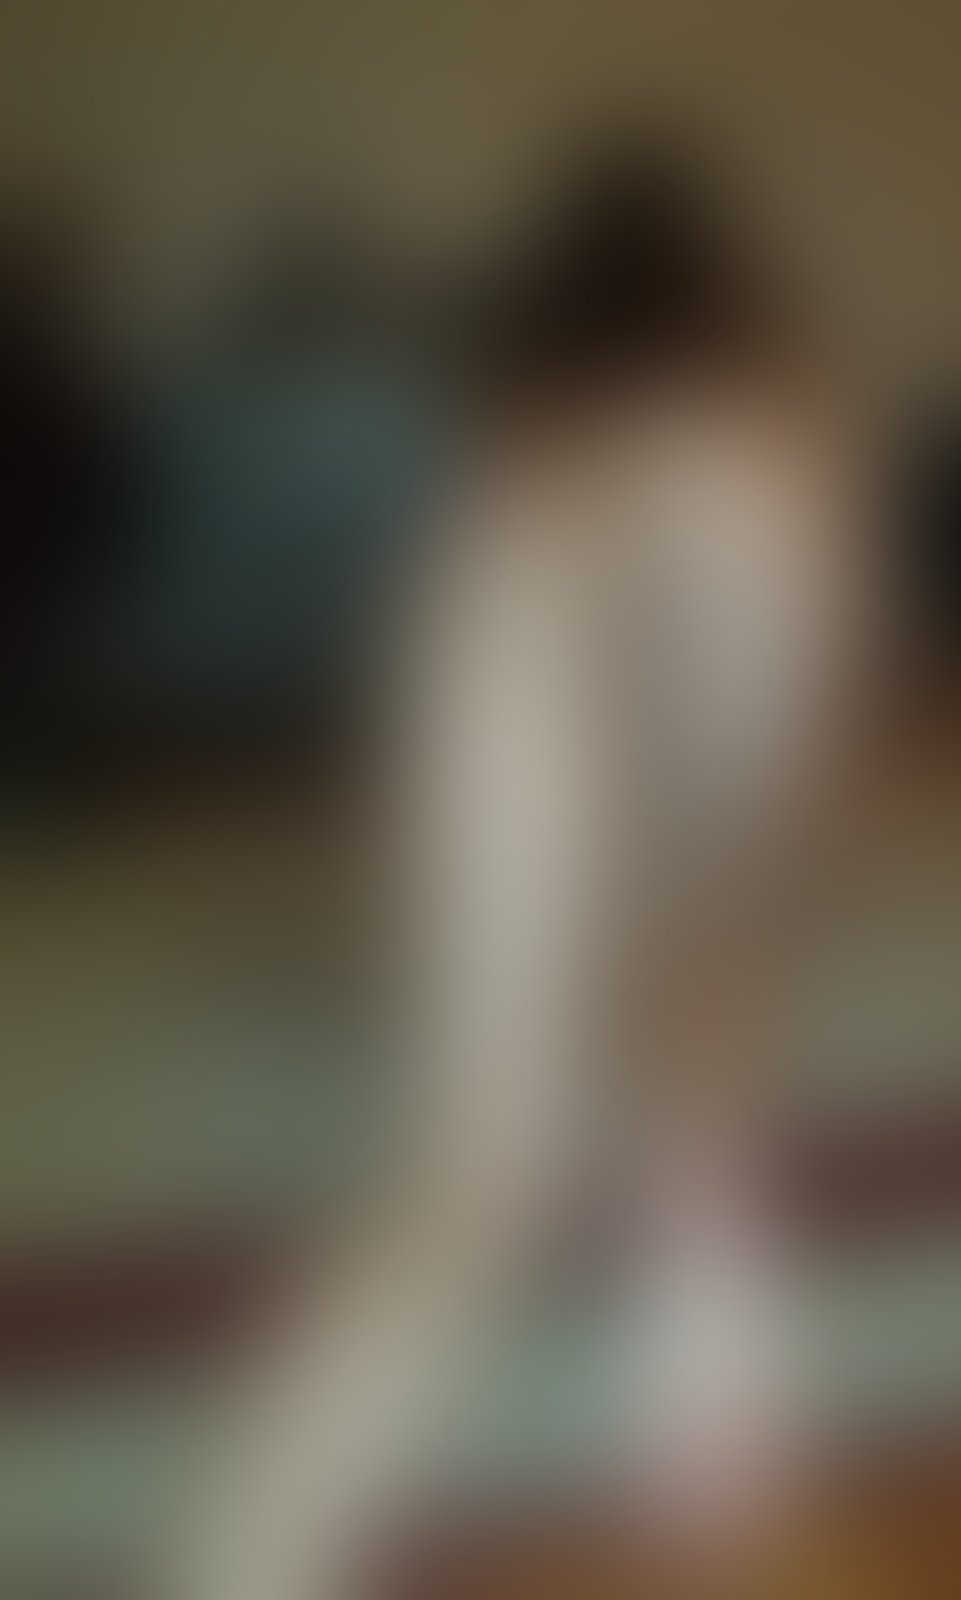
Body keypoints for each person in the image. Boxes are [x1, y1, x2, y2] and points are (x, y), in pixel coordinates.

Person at [177, 139, 876, 1600]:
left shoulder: (554, 452)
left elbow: (536, 725)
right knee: (501, 1165)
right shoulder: (722, 445)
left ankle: (699, 1414)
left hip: (559, 716)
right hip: (591, 720)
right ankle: (254, 1562)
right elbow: (736, 712)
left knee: (536, 1143)